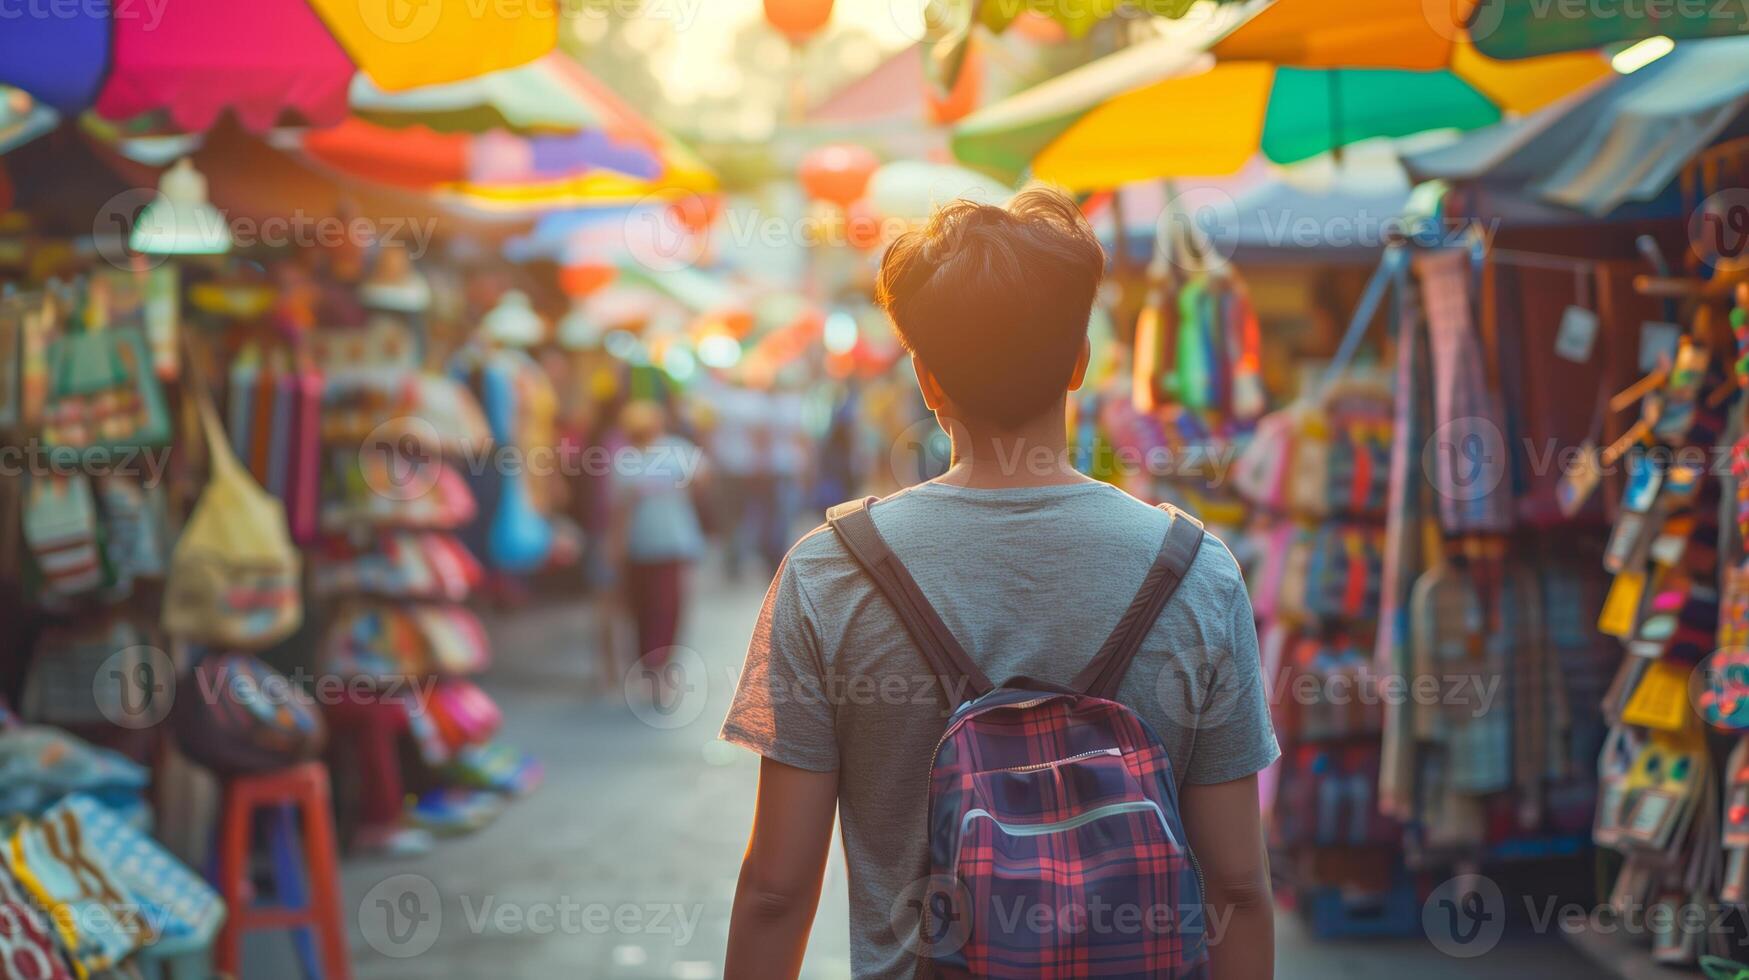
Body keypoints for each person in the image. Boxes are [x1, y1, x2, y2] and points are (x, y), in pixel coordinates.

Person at [720, 188, 1279, 979]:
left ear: (925, 379)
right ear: (1080, 360)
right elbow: (1238, 887)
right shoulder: (1196, 570)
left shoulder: (829, 572)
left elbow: (777, 889)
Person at [608, 400, 706, 705]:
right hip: (642, 547)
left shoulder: (675, 451)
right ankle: (651, 669)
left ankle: (659, 668)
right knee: (644, 610)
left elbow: (702, 478)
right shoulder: (626, 460)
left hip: (672, 544)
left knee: (667, 610)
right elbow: (620, 511)